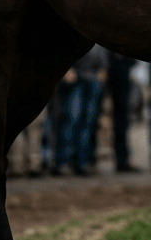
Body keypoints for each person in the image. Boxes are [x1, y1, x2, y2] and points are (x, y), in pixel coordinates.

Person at [53, 45, 108, 176]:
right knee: (71, 119)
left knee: (87, 123)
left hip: (94, 77)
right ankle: (62, 162)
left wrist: (104, 68)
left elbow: (103, 47)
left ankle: (82, 162)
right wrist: (65, 68)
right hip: (74, 77)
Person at [107, 53, 138, 172]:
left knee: (123, 116)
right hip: (112, 64)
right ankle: (86, 160)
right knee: (120, 115)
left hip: (125, 63)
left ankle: (122, 159)